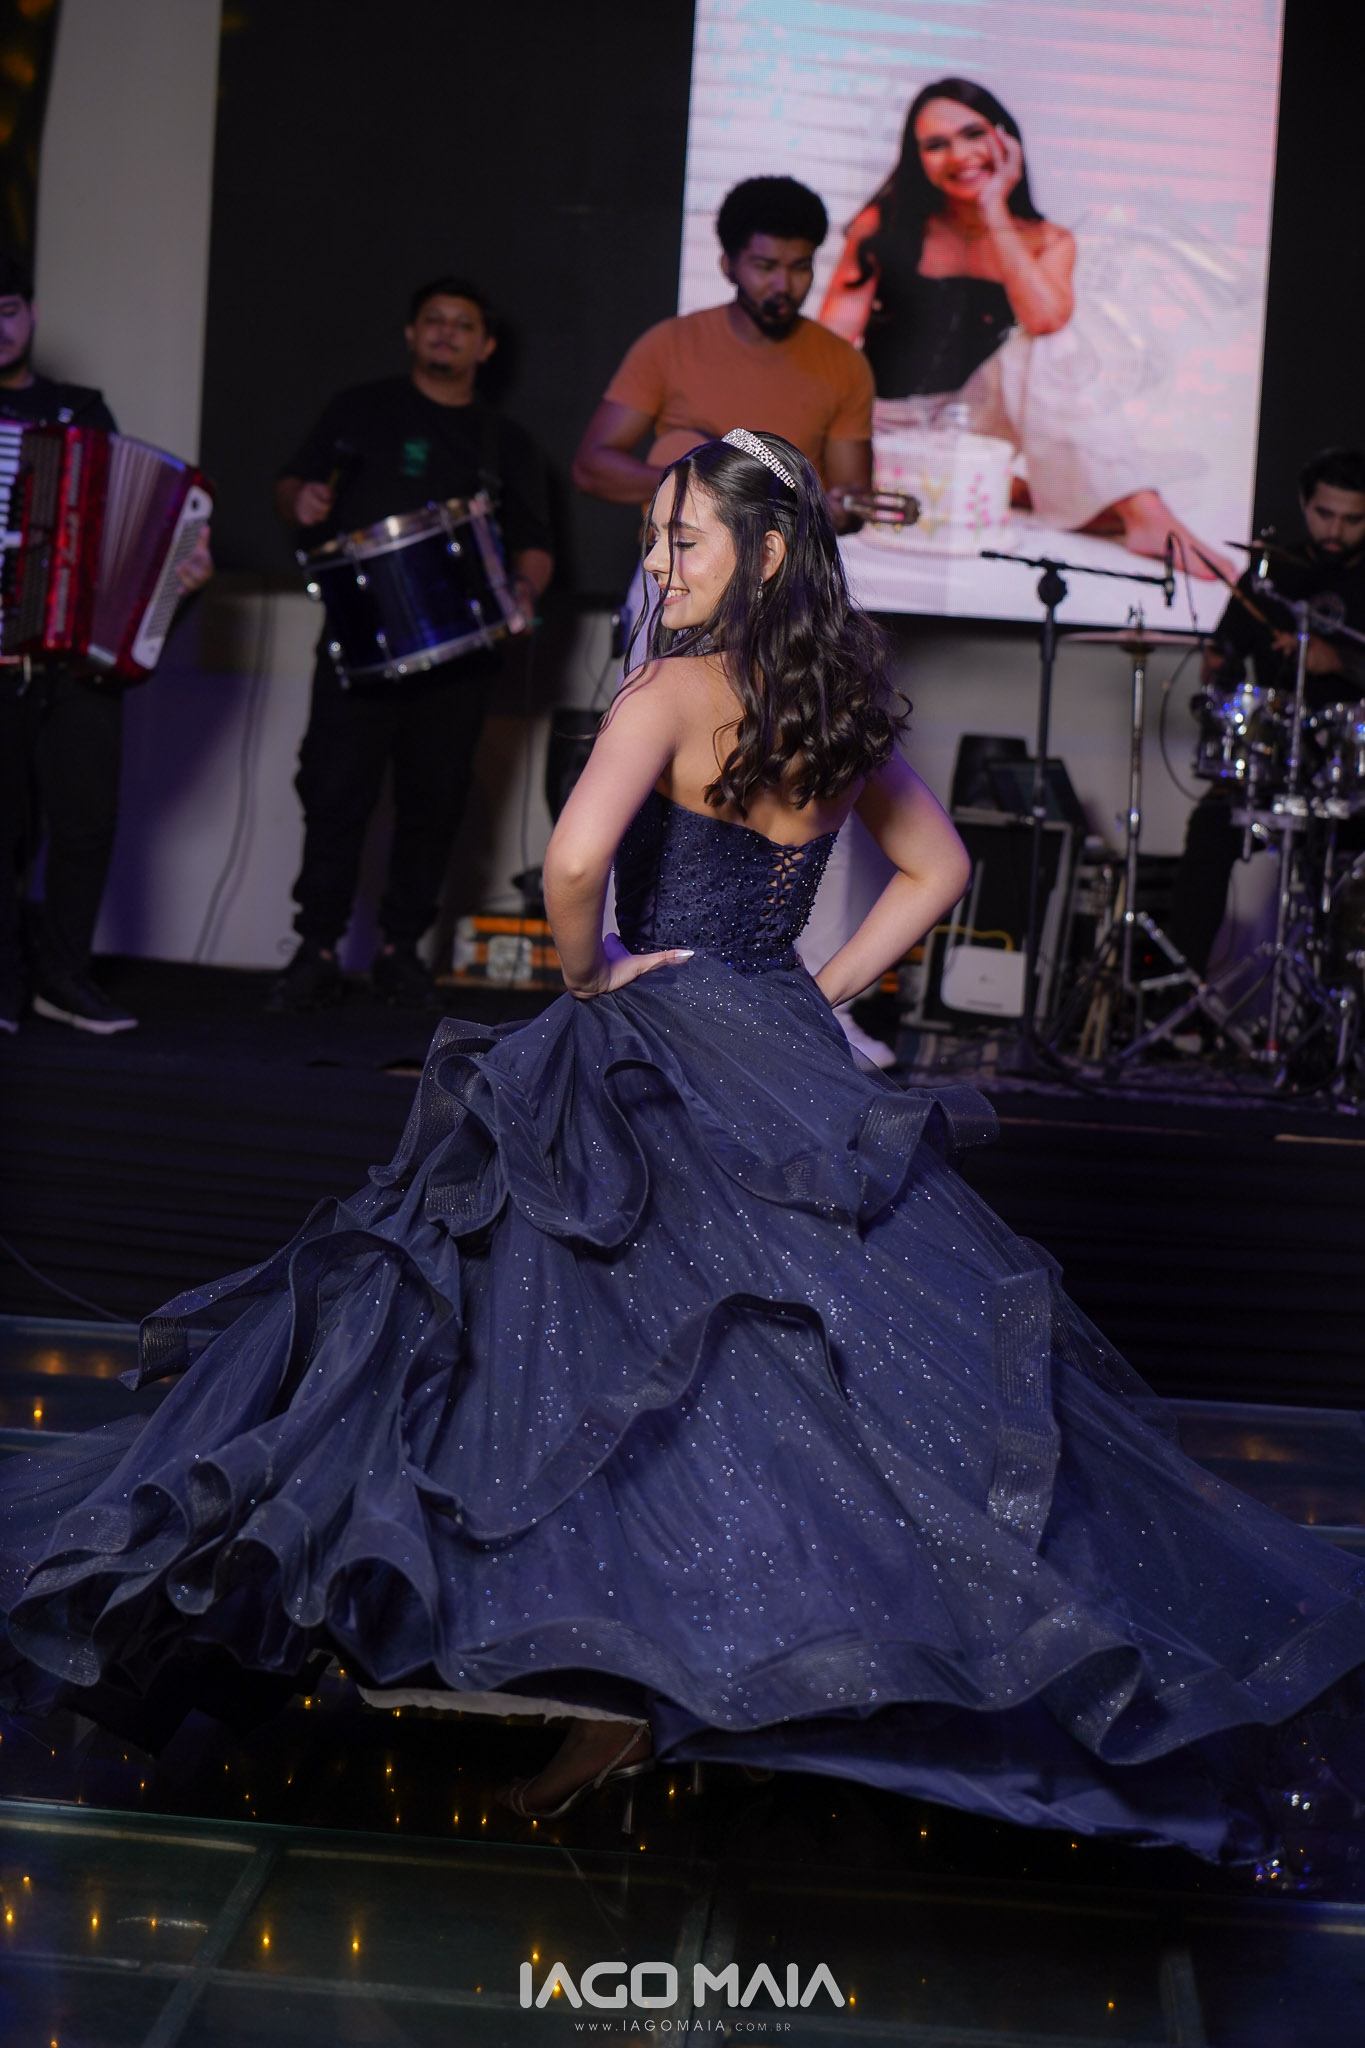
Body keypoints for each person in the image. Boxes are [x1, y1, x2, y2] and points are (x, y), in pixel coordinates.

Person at [2, 430, 1363, 1860]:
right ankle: (676, 1678)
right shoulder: (832, 693)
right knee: (759, 1372)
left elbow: (573, 860)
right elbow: (941, 868)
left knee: (581, 1355)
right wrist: (818, 993)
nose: (657, 565)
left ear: (765, 551)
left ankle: (621, 1675)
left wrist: (590, 973)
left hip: (649, 1038)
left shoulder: (671, 687)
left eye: (683, 539)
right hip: (772, 1037)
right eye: (653, 538)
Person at [575, 176, 896, 1068]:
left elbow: (847, 498)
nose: (781, 283)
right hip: (687, 581)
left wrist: (812, 511)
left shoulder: (841, 364)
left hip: (784, 591)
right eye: (764, 265)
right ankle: (635, 980)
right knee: (651, 785)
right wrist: (694, 493)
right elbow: (593, 463)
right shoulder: (670, 344)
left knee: (814, 779)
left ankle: (814, 1002)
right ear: (727, 262)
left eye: (798, 267)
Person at [269, 276, 554, 1012]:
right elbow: (292, 485)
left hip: (461, 659)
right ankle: (316, 948)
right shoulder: (358, 409)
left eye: (463, 324)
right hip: (358, 644)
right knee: (333, 791)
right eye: (433, 320)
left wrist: (524, 590)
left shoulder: (504, 441)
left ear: (485, 347)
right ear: (410, 332)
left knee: (435, 801)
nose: (446, 332)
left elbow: (534, 542)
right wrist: (301, 499)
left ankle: (402, 951)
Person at [819, 77, 1233, 580]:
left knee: (1048, 340)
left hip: (972, 423)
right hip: (885, 428)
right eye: (936, 144)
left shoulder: (1049, 240)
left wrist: (994, 207)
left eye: (974, 134)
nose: (960, 155)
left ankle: (1144, 512)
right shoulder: (882, 225)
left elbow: (1045, 320)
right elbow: (829, 347)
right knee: (985, 476)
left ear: (1005, 139)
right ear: (917, 158)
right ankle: (1045, 496)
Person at [0, 253, 213, 1035]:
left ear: (32, 314)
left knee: (86, 822)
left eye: (8, 309)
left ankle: (63, 978)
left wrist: (178, 576)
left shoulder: (81, 410)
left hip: (75, 657)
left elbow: (124, 530)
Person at [1167, 447, 1365, 981]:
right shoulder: (1271, 574)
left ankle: (1333, 1011)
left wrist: (1339, 661)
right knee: (1210, 830)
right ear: (1304, 503)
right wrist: (1219, 664)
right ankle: (1182, 998)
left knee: (1341, 885)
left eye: (1353, 520)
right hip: (1274, 768)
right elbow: (1222, 658)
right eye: (1325, 514)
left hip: (1351, 781)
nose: (1335, 531)